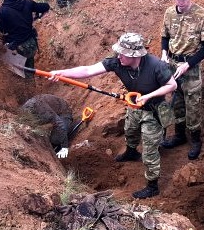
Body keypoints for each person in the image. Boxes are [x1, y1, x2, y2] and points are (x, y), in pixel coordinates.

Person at [49, 33, 177, 198]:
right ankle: (131, 152)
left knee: (150, 148)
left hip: (153, 109)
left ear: (134, 55)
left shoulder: (156, 66)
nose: (119, 56)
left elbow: (171, 85)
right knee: (130, 130)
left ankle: (152, 185)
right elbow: (88, 70)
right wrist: (61, 73)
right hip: (134, 105)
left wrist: (148, 96)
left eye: (123, 53)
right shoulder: (118, 62)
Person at [160, 0, 204, 160]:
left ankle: (195, 139)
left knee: (193, 104)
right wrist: (163, 53)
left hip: (190, 67)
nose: (180, 1)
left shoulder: (201, 14)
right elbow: (165, 36)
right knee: (176, 102)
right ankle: (179, 136)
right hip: (172, 65)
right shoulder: (169, 13)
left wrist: (188, 64)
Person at [0, 0, 50, 78]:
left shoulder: (2, 12)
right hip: (31, 43)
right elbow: (45, 6)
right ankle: (29, 83)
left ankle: (26, 88)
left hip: (17, 48)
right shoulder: (27, 2)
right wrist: (38, 14)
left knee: (19, 73)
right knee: (29, 68)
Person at [21, 94, 73, 159]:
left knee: (55, 140)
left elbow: (60, 124)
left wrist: (64, 147)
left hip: (64, 114)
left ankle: (59, 139)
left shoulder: (43, 110)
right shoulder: (24, 109)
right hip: (51, 112)